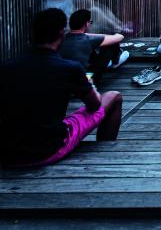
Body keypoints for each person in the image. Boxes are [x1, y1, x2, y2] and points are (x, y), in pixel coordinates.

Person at [0, 9, 122, 167]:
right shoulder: (69, 68)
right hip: (47, 149)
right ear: (61, 33)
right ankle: (104, 154)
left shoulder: (7, 67)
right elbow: (95, 105)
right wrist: (90, 84)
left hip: (7, 151)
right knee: (114, 96)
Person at [59, 9, 128, 83]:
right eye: (90, 22)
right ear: (86, 24)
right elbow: (120, 37)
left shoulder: (61, 38)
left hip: (63, 79)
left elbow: (82, 35)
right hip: (86, 80)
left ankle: (112, 63)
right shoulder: (88, 39)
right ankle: (115, 63)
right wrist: (116, 34)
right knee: (112, 44)